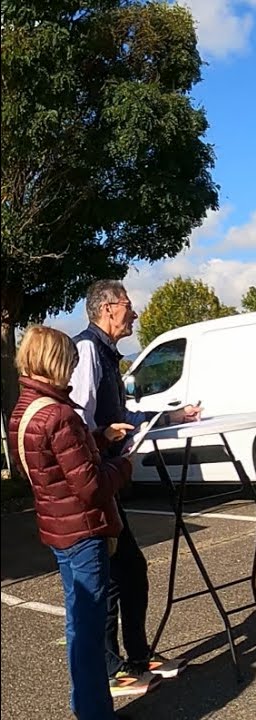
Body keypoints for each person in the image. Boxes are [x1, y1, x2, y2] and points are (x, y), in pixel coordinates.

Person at [68, 280, 199, 687]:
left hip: (105, 478)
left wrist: (172, 416)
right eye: (128, 305)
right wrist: (104, 438)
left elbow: (118, 415)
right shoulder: (88, 349)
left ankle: (137, 658)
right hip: (93, 481)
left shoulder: (106, 353)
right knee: (116, 572)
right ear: (107, 309)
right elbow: (81, 419)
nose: (135, 313)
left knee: (127, 569)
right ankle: (114, 668)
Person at [9, 326, 134, 719]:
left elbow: (54, 463)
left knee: (78, 622)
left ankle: (88, 706)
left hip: (57, 527)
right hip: (83, 531)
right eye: (70, 363)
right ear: (56, 362)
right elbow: (92, 487)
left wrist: (98, 437)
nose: (72, 371)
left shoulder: (24, 410)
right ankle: (96, 711)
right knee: (89, 629)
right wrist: (124, 465)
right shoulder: (60, 415)